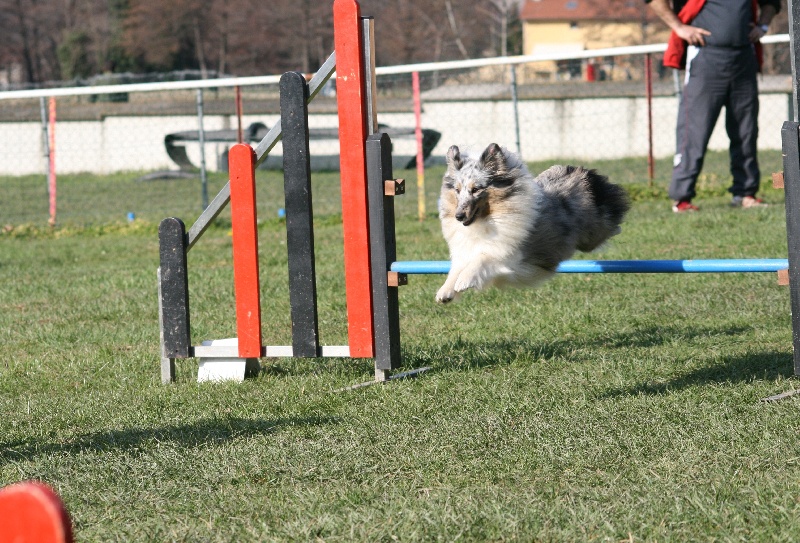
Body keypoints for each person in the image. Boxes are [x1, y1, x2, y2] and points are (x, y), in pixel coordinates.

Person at [645, 0, 780, 212]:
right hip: (706, 56)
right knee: (693, 132)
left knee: (746, 132)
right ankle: (682, 199)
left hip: (744, 58)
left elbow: (772, 3)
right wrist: (679, 27)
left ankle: (745, 194)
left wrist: (763, 26)